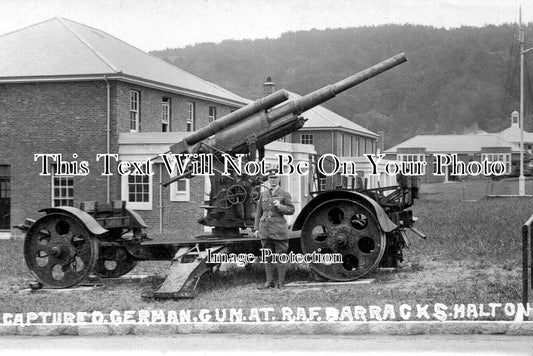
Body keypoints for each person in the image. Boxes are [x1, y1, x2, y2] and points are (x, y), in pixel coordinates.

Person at [254, 168, 295, 289]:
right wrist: (256, 228)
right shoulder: (264, 194)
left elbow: (291, 210)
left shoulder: (284, 194)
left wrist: (280, 206)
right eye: (271, 178)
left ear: (279, 179)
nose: (273, 180)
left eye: (275, 177)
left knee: (281, 256)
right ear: (268, 179)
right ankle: (269, 282)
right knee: (267, 256)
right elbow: (258, 212)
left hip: (279, 230)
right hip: (265, 229)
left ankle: (281, 282)